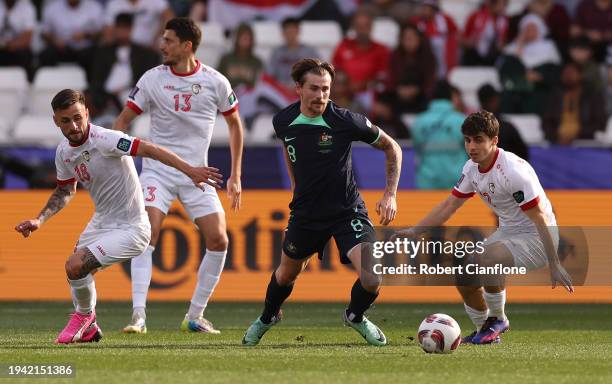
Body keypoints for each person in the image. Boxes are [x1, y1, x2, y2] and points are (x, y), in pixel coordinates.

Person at [14, 89, 223, 344]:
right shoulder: (63, 153)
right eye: (66, 120)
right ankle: (89, 327)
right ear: (56, 121)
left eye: (78, 117)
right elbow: (66, 190)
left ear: (87, 114)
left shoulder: (105, 139)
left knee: (76, 264)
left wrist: (190, 170)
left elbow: (149, 149)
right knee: (75, 269)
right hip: (102, 221)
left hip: (133, 227)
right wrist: (39, 220)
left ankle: (84, 316)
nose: (75, 125)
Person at [242, 58, 402, 346]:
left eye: (326, 89)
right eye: (314, 89)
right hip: (306, 213)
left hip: (346, 210)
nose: (321, 96)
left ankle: (355, 316)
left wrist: (390, 193)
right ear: (298, 89)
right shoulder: (283, 121)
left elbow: (393, 147)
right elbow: (290, 151)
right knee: (286, 274)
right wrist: (295, 187)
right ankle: (268, 316)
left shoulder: (345, 121)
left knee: (372, 275)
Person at [394, 111, 573, 345]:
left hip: (538, 238)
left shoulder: (512, 172)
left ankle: (498, 319)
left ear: (494, 140)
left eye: (478, 139)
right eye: (468, 140)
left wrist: (554, 262)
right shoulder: (471, 168)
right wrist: (417, 230)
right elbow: (450, 205)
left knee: (487, 258)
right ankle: (484, 332)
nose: (471, 146)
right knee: (464, 274)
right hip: (509, 233)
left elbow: (540, 219)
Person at [113, 17, 244, 334]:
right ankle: (138, 316)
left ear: (187, 46)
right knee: (148, 234)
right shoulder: (152, 79)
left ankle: (195, 316)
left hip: (198, 174)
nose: (162, 45)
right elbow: (121, 124)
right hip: (158, 171)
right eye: (163, 39)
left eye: (169, 40)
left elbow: (235, 125)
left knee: (219, 239)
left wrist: (236, 176)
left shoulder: (215, 82)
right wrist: (123, 165)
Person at [410, 80, 466, 189]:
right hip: (457, 183)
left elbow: (417, 148)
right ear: (450, 97)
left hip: (427, 181)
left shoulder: (419, 121)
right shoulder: (462, 120)